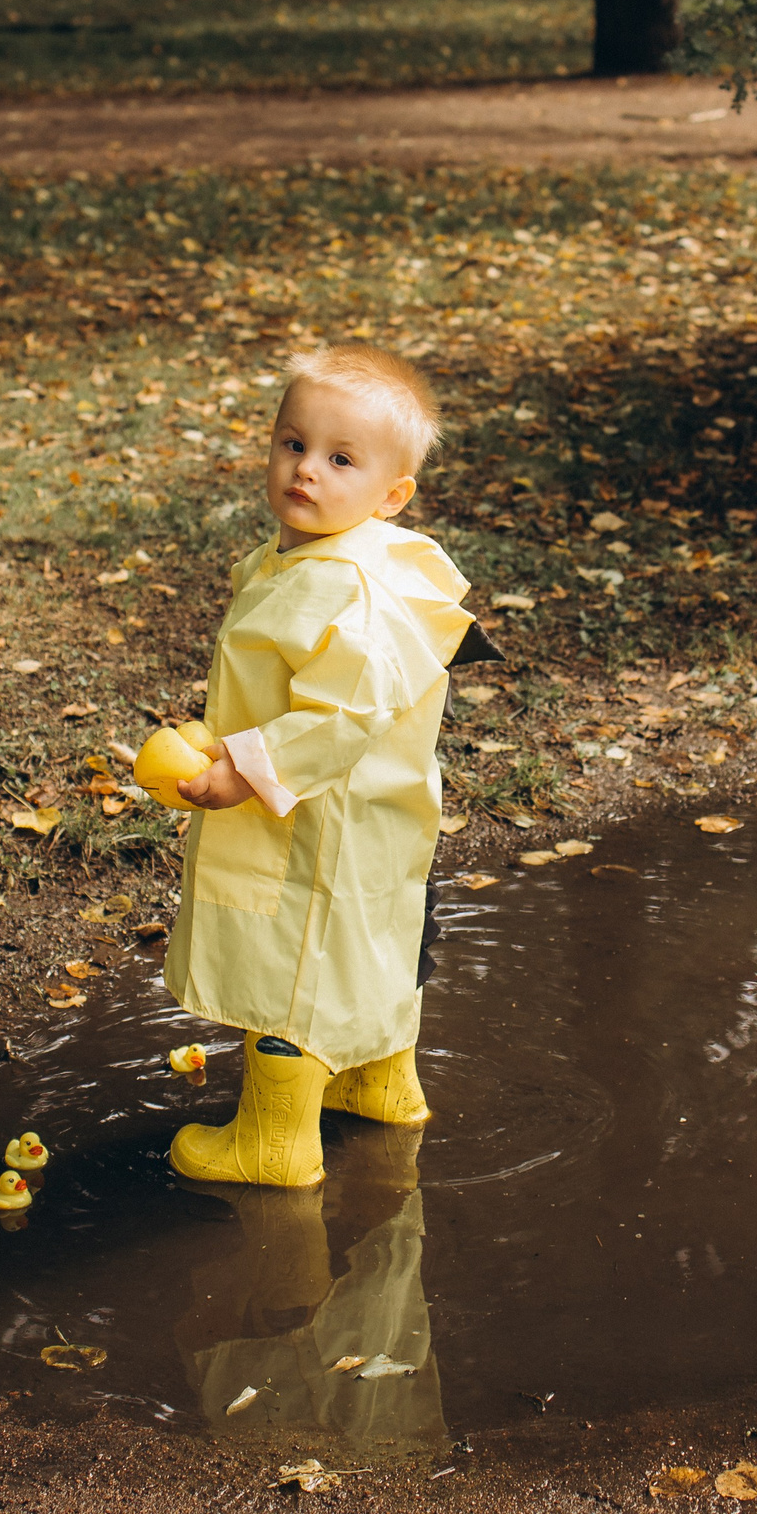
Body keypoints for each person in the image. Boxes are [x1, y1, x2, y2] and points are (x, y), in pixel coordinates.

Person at [161, 343, 474, 1189]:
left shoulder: (349, 588)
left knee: (290, 957)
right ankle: (379, 1080)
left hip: (317, 807)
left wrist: (248, 768)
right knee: (369, 942)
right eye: (292, 443)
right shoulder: (321, 554)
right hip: (374, 815)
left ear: (392, 493)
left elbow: (348, 708)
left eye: (341, 459)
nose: (307, 471)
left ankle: (275, 1142)